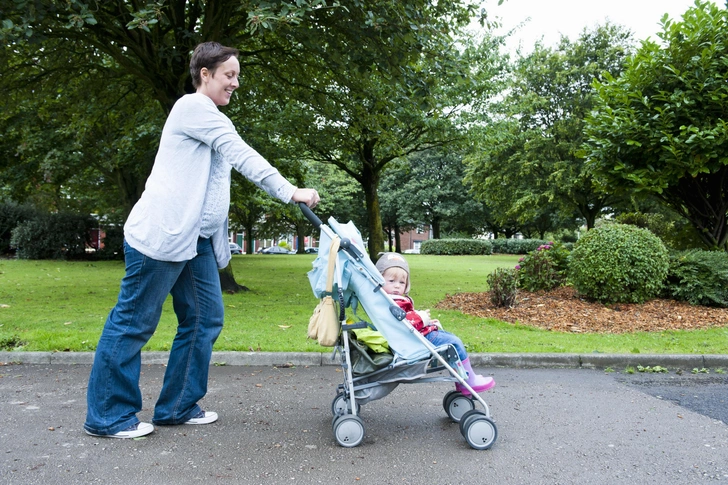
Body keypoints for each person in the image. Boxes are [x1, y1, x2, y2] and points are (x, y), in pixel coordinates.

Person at [84, 42, 320, 439]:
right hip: (162, 237)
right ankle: (107, 416)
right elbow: (241, 154)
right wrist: (289, 189)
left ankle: (177, 406)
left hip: (194, 243)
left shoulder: (210, 116)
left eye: (238, 76)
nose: (236, 83)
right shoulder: (193, 108)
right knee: (133, 322)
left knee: (204, 317)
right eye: (229, 75)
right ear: (205, 74)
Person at [375, 253, 495, 395]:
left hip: (417, 334)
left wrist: (425, 320)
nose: (397, 286)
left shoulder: (391, 300)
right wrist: (422, 318)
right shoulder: (391, 302)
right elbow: (404, 322)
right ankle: (468, 381)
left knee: (449, 338)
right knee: (453, 343)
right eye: (391, 281)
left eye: (402, 283)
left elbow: (405, 318)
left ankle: (464, 379)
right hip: (415, 339)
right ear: (380, 280)